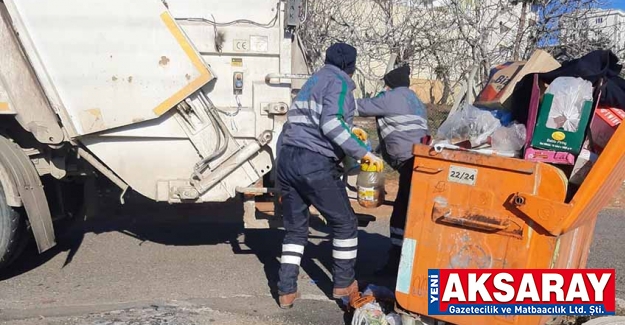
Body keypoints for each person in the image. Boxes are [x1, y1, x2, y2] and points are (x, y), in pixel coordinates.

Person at [276, 42, 383, 309]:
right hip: (312, 161)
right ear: (351, 66)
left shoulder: (313, 81)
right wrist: (363, 154)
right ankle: (344, 285)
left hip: (287, 158)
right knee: (345, 222)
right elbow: (331, 122)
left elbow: (303, 122)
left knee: (295, 230)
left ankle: (286, 290)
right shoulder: (340, 82)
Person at [355, 65, 429, 275]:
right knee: (409, 207)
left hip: (409, 161)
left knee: (401, 211)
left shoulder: (392, 97)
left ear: (391, 84)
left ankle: (396, 262)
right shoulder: (414, 100)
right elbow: (401, 128)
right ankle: (406, 257)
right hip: (420, 159)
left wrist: (333, 102)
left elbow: (360, 107)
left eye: (385, 85)